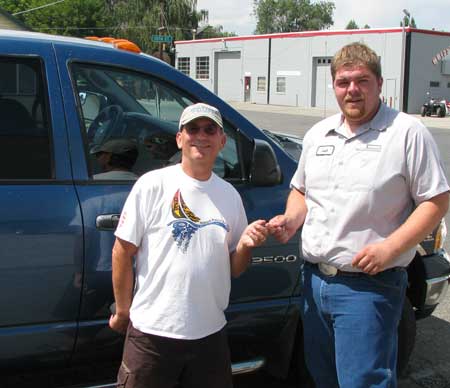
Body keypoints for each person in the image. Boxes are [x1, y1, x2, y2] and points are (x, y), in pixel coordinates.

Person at [269, 42, 449, 388]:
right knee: (322, 376)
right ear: (334, 86)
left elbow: (436, 201)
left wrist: (390, 249)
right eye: (343, 81)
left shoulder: (407, 133)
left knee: (363, 381)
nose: (352, 90)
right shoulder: (318, 134)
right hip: (314, 282)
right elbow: (302, 190)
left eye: (362, 80)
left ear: (380, 84)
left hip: (368, 287)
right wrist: (292, 219)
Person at [109, 102, 268, 388]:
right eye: (192, 129)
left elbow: (235, 269)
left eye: (210, 130)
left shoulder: (230, 196)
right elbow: (122, 250)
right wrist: (123, 311)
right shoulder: (152, 184)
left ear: (222, 141)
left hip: (210, 336)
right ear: (179, 138)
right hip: (152, 336)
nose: (201, 136)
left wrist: (245, 246)